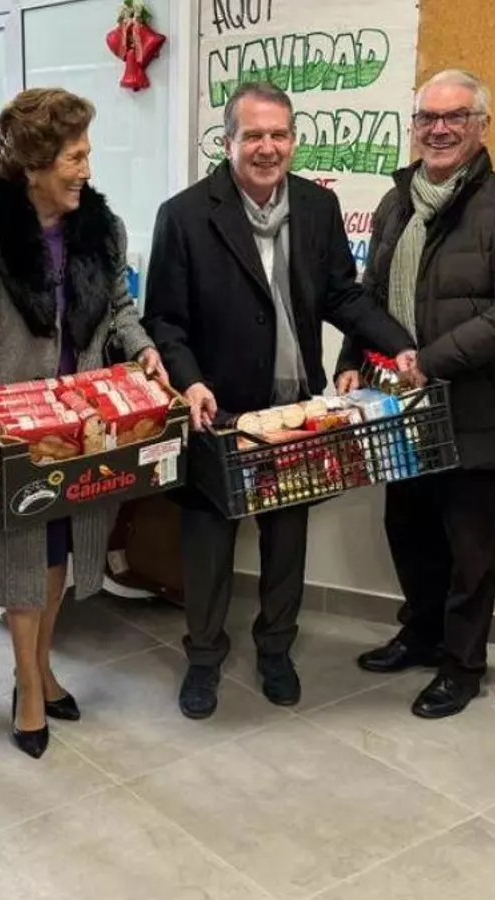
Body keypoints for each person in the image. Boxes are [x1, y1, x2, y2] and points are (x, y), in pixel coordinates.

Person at [144, 81, 421, 721]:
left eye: (279, 134)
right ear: (228, 142)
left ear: (293, 140)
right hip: (218, 413)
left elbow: (343, 296)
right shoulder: (184, 215)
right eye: (254, 136)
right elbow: (165, 322)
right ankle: (203, 658)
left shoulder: (316, 206)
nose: (267, 148)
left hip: (295, 410)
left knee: (287, 541)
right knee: (209, 546)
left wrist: (398, 344)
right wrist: (190, 381)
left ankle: (276, 651)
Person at [0, 88, 163, 758]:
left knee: (58, 556)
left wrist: (143, 349)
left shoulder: (101, 227)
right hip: (10, 432)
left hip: (81, 429)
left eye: (87, 154)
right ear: (34, 163)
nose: (86, 169)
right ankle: (28, 686)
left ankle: (41, 669)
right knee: (25, 560)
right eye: (74, 157)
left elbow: (119, 309)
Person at [345, 69, 495, 719]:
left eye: (455, 117)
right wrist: (352, 360)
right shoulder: (396, 201)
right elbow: (370, 295)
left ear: (481, 127)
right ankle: (420, 634)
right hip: (398, 408)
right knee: (407, 529)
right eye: (427, 118)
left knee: (470, 549)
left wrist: (433, 362)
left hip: (472, 408)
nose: (438, 129)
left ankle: (462, 665)